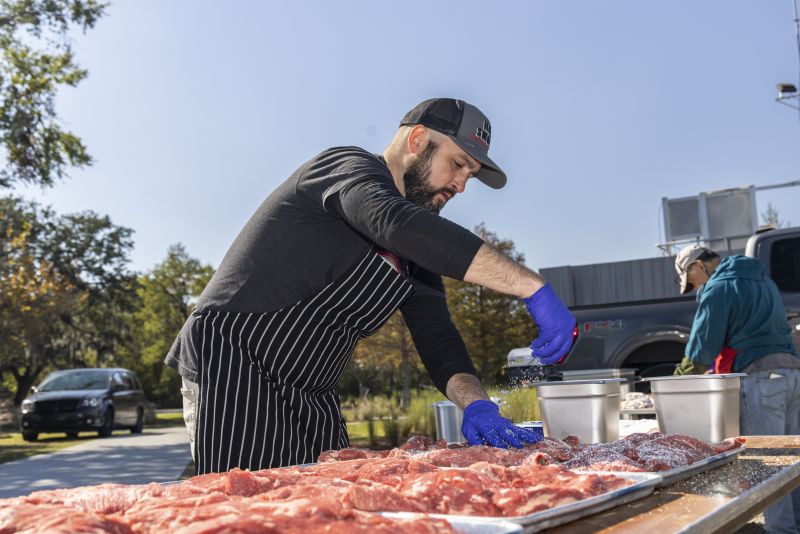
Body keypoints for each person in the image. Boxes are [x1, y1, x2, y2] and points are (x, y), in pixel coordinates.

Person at [166, 98, 576, 474]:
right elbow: (392, 221)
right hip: (235, 366)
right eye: (458, 164)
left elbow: (437, 338)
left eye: (470, 174)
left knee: (329, 509)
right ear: (417, 140)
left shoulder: (416, 248)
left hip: (312, 391)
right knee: (248, 509)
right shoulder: (346, 169)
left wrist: (478, 405)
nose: (461, 185)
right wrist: (530, 285)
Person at [673, 244, 800, 533]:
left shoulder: (718, 289)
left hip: (762, 379)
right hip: (793, 375)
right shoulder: (765, 282)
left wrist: (677, 383)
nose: (695, 288)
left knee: (769, 467)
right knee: (793, 463)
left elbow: (701, 350)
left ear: (698, 266)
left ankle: (782, 530)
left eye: (691, 282)